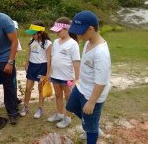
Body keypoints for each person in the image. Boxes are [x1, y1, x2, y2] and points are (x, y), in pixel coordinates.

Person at [66, 11, 111, 144]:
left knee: (90, 129)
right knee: (71, 107)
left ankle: (92, 130)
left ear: (91, 29)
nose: (78, 35)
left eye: (80, 32)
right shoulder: (88, 41)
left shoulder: (101, 53)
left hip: (93, 94)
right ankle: (92, 124)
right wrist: (78, 80)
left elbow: (102, 81)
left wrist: (92, 102)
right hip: (82, 87)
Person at [47, 17, 80, 128]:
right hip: (55, 75)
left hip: (67, 77)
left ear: (66, 29)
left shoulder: (73, 44)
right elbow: (52, 58)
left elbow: (76, 62)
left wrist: (77, 78)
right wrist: (49, 73)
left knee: (68, 98)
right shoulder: (56, 42)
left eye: (59, 30)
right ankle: (60, 114)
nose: (56, 33)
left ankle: (68, 118)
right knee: (57, 95)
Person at [19, 21, 52, 119]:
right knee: (28, 88)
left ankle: (40, 108)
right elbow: (29, 53)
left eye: (34, 33)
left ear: (40, 33)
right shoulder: (31, 40)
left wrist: (47, 74)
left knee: (40, 89)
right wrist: (27, 63)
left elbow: (49, 59)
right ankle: (25, 107)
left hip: (42, 67)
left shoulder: (47, 43)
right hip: (32, 67)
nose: (32, 35)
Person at [0, 20, 22, 106]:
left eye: (15, 29)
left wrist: (10, 60)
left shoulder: (16, 39)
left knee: (12, 82)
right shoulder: (0, 38)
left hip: (10, 63)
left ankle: (13, 97)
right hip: (0, 63)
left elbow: (16, 51)